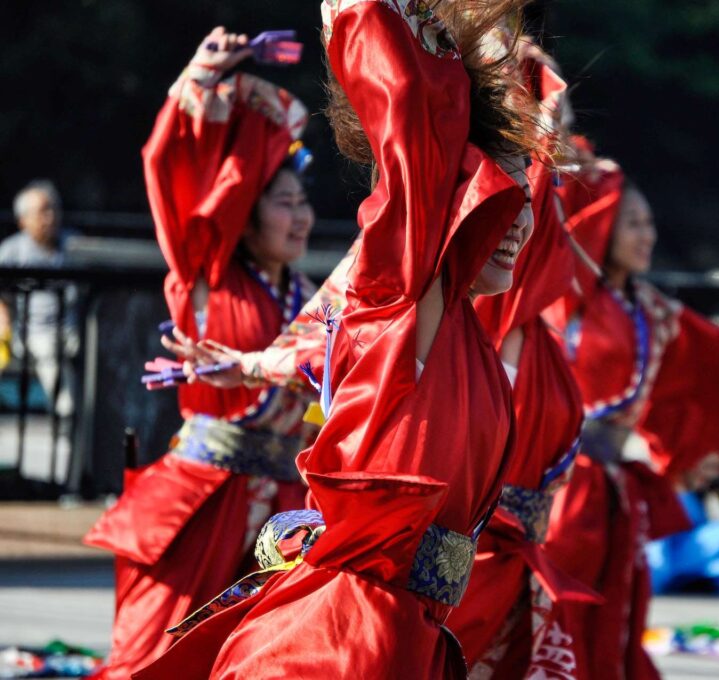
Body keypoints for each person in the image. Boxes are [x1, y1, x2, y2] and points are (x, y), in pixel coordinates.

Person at [136, 1, 540, 678]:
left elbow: (319, 354)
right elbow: (416, 148)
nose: (521, 221)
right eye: (501, 200)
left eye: (530, 204)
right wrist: (382, 24)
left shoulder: (456, 338)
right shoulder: (403, 299)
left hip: (411, 631)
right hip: (346, 631)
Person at [82, 27, 317, 679]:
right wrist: (200, 81)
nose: (300, 218)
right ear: (245, 212)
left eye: (304, 203)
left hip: (285, 508)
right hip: (204, 502)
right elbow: (176, 176)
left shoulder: (311, 296)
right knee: (158, 659)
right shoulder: (205, 273)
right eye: (284, 203)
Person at [541, 147, 719, 679]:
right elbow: (552, 225)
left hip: (614, 493)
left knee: (619, 615)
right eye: (633, 223)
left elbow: (715, 356)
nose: (646, 235)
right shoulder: (566, 300)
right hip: (559, 493)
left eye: (649, 223)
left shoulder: (652, 311)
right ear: (603, 225)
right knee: (561, 615)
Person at [445, 41, 596, 678]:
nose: (531, 218)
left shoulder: (542, 344)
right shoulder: (466, 324)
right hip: (463, 577)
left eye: (542, 202)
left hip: (522, 564)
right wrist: (511, 88)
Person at [0, 180, 78, 421]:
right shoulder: (12, 251)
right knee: (49, 350)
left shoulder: (73, 244)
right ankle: (68, 415)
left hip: (74, 327)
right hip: (35, 332)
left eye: (54, 209)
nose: (50, 217)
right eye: (43, 211)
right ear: (23, 220)